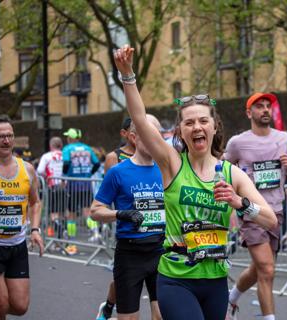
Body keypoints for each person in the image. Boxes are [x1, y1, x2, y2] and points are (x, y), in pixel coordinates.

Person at [114, 44, 277, 320]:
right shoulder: (172, 162)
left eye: (203, 121)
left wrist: (240, 203)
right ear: (180, 131)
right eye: (189, 123)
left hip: (215, 280)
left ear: (214, 127)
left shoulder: (232, 174)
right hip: (176, 278)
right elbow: (140, 119)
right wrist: (128, 74)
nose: (197, 127)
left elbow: (270, 220)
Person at [224, 92, 287, 320]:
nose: (266, 109)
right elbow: (224, 171)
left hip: (276, 212)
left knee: (260, 269)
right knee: (267, 269)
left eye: (268, 106)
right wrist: (234, 200)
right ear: (249, 113)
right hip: (250, 212)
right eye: (259, 106)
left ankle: (232, 296)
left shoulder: (284, 138)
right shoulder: (238, 142)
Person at [91, 117, 164, 320]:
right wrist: (120, 214)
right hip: (130, 254)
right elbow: (95, 210)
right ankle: (108, 310)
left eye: (157, 134)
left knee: (162, 316)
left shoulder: (167, 169)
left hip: (161, 251)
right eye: (147, 134)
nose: (154, 139)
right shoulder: (118, 172)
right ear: (133, 137)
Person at [0, 115, 44, 319]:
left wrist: (35, 230)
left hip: (16, 245)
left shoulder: (27, 169)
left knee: (20, 307)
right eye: (0, 136)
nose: (6, 140)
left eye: (9, 135)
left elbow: (35, 202)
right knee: (2, 302)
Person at [96, 120, 137, 320]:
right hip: (126, 224)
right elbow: (108, 193)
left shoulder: (154, 153)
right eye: (134, 130)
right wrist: (120, 215)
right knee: (123, 277)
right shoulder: (114, 158)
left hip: (152, 227)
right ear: (124, 133)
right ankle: (109, 305)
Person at [62, 128, 100, 255]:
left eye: (68, 136)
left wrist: (65, 174)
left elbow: (66, 163)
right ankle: (95, 232)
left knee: (71, 214)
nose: (67, 138)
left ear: (71, 138)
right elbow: (97, 163)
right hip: (86, 184)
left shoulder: (67, 149)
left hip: (73, 184)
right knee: (87, 212)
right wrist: (90, 173)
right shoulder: (87, 148)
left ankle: (72, 242)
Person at [37, 137, 64, 239]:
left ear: (50, 145)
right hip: (63, 185)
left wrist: (46, 176)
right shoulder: (65, 155)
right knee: (61, 211)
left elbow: (39, 170)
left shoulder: (46, 156)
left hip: (51, 185)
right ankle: (60, 234)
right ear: (61, 145)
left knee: (52, 212)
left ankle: (58, 230)